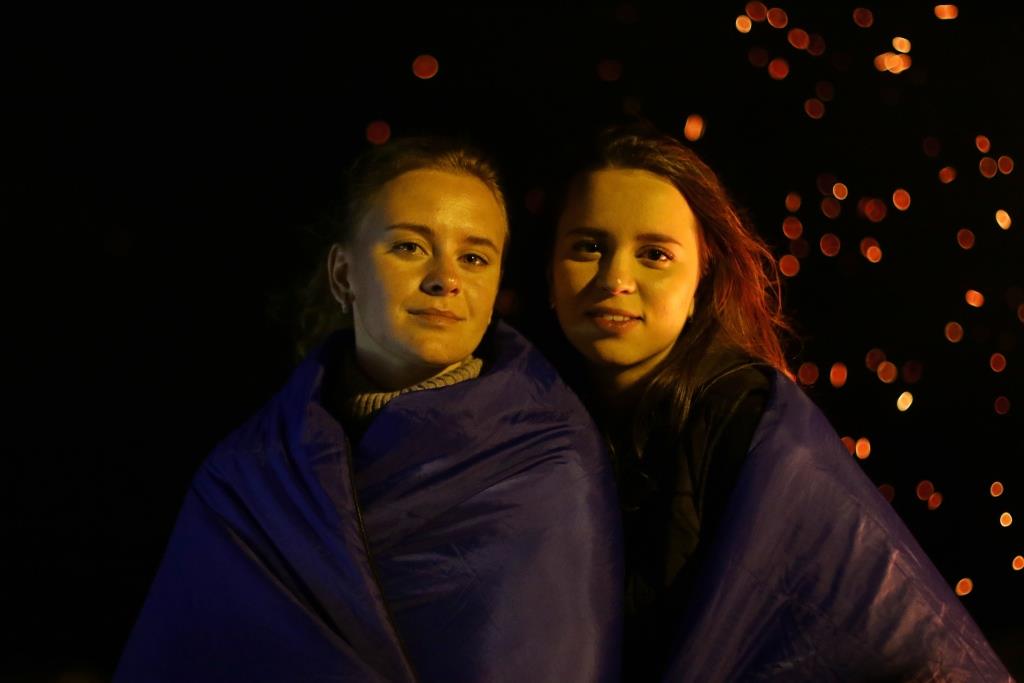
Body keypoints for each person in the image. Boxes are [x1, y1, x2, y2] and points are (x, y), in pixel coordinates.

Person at [115, 137, 623, 682]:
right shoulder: (245, 479)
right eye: (409, 247)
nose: (445, 279)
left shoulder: (550, 462)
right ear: (343, 274)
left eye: (474, 258)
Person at [546, 124, 1012, 681]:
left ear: (702, 281)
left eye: (655, 255)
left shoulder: (747, 420)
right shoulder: (531, 413)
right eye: (588, 247)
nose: (615, 278)